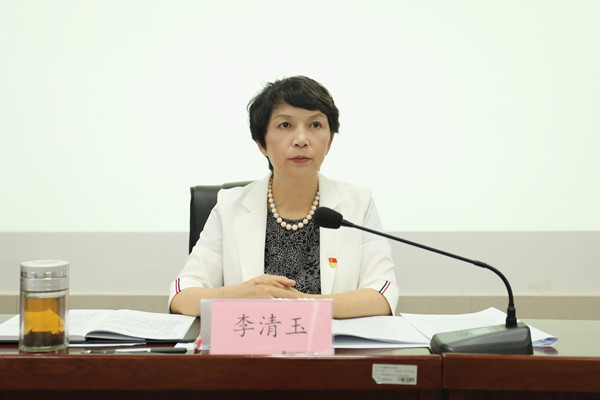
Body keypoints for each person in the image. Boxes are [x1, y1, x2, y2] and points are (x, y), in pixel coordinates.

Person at [169, 76, 399, 319]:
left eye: (315, 125)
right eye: (285, 125)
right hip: (252, 342)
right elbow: (182, 295)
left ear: (329, 141)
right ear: (261, 143)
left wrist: (304, 304)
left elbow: (383, 295)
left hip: (332, 343)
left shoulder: (358, 203)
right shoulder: (229, 206)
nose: (301, 140)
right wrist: (244, 295)